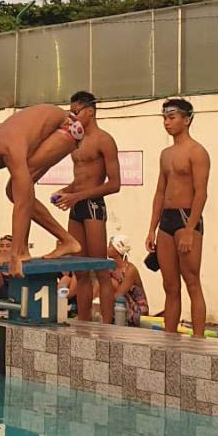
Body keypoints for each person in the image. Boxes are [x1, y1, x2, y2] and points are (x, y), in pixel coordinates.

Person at [0, 104, 84, 278]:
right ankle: (67, 241)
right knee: (15, 190)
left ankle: (30, 249)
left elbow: (23, 201)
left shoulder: (10, 149)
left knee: (16, 191)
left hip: (67, 127)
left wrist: (15, 256)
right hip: (46, 132)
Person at [51, 91, 121, 322]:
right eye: (70, 112)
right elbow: (80, 179)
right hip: (77, 205)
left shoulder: (104, 140)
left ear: (90, 111)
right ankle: (83, 320)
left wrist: (78, 195)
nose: (73, 116)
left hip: (92, 206)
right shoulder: (75, 141)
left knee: (100, 268)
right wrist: (66, 192)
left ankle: (108, 326)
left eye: (77, 112)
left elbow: (114, 184)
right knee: (79, 270)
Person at [145, 98, 210, 337]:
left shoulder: (197, 152)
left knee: (191, 281)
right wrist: (152, 228)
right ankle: (169, 336)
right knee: (169, 285)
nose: (167, 122)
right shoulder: (165, 154)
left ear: (187, 119)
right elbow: (160, 192)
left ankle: (199, 338)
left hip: (186, 218)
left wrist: (191, 230)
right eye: (164, 118)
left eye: (172, 118)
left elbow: (201, 193)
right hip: (167, 220)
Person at [107, 234, 148, 327]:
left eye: (110, 246)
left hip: (137, 310)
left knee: (110, 283)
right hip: (121, 306)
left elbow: (119, 294)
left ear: (118, 250)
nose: (107, 248)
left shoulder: (130, 270)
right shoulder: (111, 267)